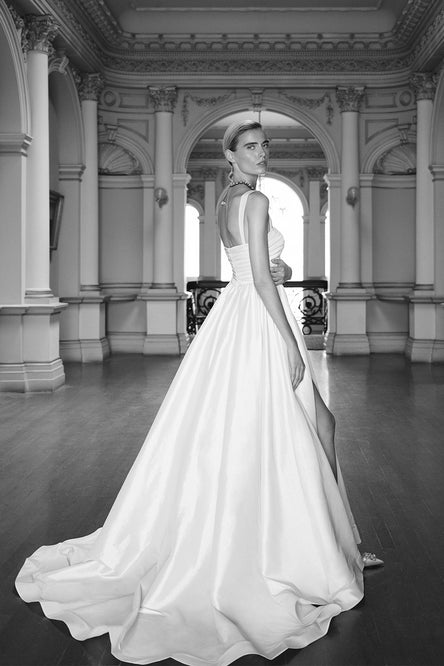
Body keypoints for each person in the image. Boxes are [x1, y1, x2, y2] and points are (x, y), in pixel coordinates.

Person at [16, 119, 381, 666]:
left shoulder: (225, 201)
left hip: (235, 318)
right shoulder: (255, 200)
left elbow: (255, 268)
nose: (262, 153)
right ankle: (328, 551)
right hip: (262, 323)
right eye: (251, 147)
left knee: (278, 431)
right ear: (230, 155)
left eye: (265, 145)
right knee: (305, 428)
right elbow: (261, 279)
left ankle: (329, 544)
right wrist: (290, 342)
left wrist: (279, 269)